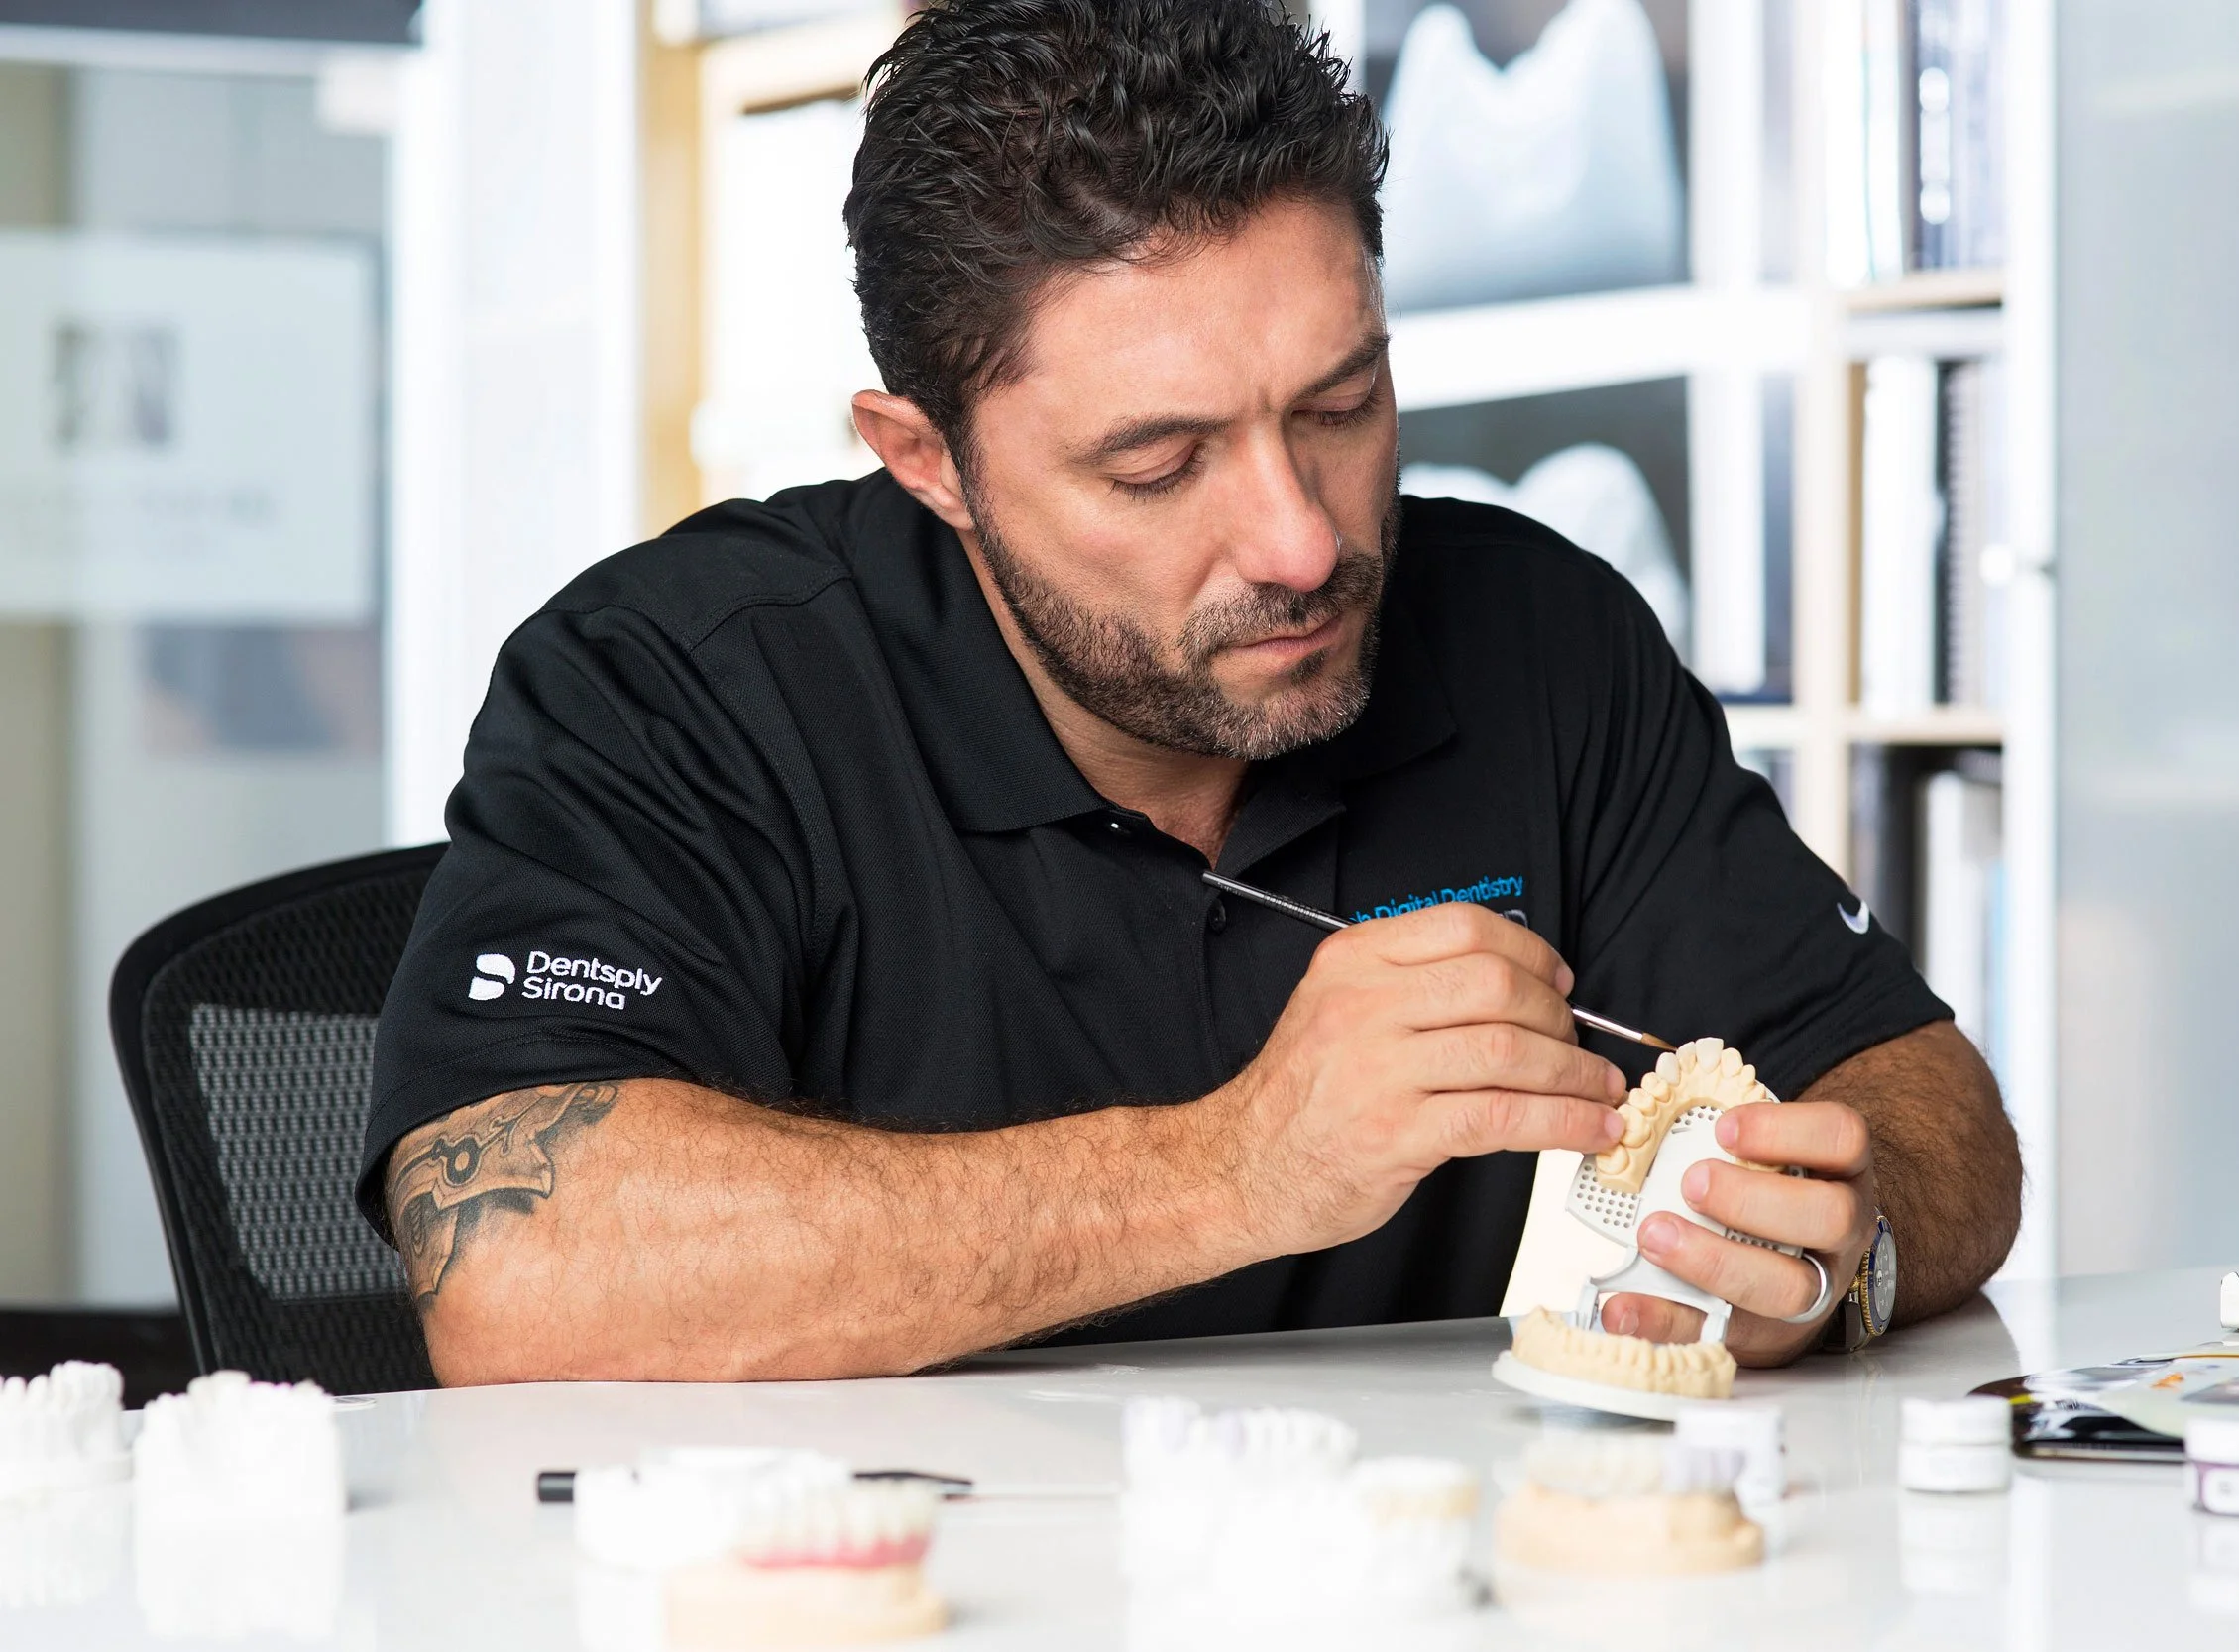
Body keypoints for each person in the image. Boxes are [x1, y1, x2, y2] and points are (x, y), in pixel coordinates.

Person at [358, 0, 2021, 1385]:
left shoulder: (1535, 631)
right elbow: (524, 1277)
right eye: (1159, 465)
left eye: (1343, 403)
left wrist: (1842, 1253)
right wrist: (1239, 1164)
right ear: (926, 461)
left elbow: (1931, 1108)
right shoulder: (679, 684)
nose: (1302, 541)